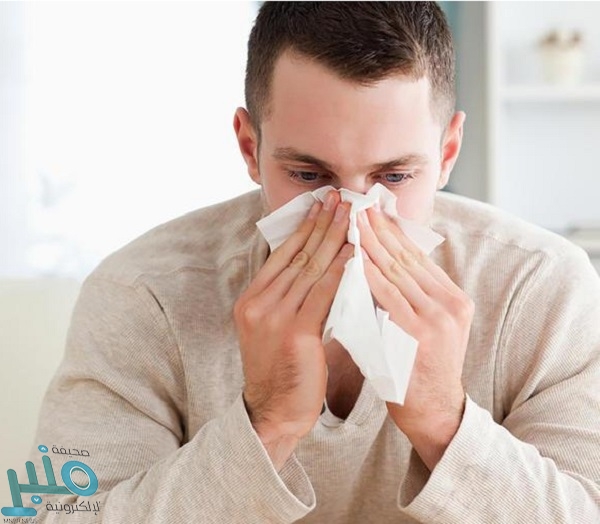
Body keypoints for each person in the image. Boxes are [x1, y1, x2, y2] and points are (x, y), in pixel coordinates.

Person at [26, 2, 600, 523]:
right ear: (250, 148)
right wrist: (266, 424)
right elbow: (41, 515)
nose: (351, 216)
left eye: (395, 176)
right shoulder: (141, 294)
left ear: (447, 152)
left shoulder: (540, 287)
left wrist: (443, 422)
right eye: (307, 174)